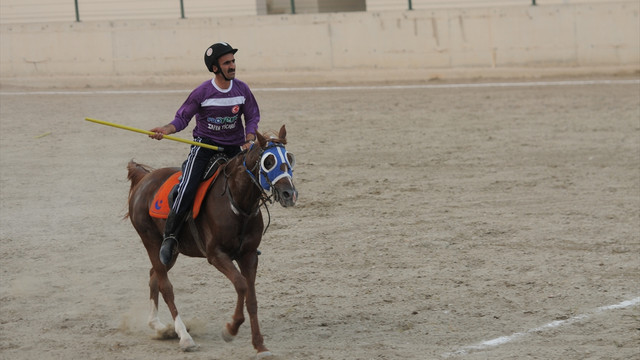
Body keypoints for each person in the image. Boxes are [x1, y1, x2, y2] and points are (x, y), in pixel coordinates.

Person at [149, 42, 260, 266]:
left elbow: (252, 116)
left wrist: (250, 138)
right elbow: (181, 118)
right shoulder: (202, 92)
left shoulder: (242, 89)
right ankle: (170, 237)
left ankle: (245, 241)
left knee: (250, 186)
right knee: (188, 187)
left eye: (233, 61)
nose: (232, 66)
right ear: (215, 68)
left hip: (233, 149)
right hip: (204, 148)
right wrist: (166, 130)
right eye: (227, 63)